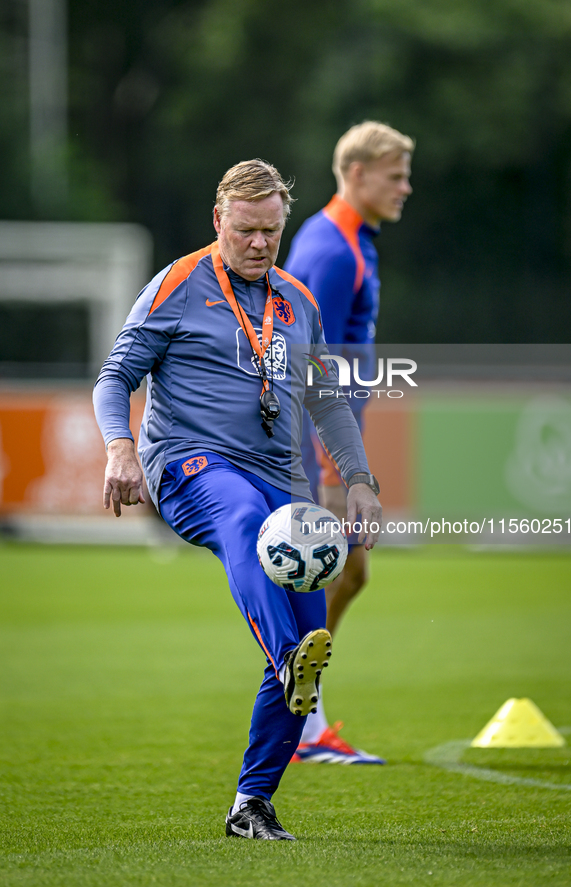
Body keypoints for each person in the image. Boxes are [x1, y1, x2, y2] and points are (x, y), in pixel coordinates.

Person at [93, 159, 382, 841]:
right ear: (218, 220)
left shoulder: (297, 303)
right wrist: (119, 447)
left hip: (283, 481)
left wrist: (361, 478)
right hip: (191, 467)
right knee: (247, 529)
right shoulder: (175, 285)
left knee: (312, 624)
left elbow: (325, 401)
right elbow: (115, 377)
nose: (258, 244)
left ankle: (251, 802)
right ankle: (288, 656)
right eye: (246, 230)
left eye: (271, 233)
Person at [284, 122, 413, 764]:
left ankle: (302, 710)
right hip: (319, 445)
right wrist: (335, 463)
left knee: (348, 571)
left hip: (333, 440)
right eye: (395, 176)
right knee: (339, 570)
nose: (406, 188)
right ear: (357, 173)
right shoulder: (331, 250)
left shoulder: (351, 240)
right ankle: (300, 718)